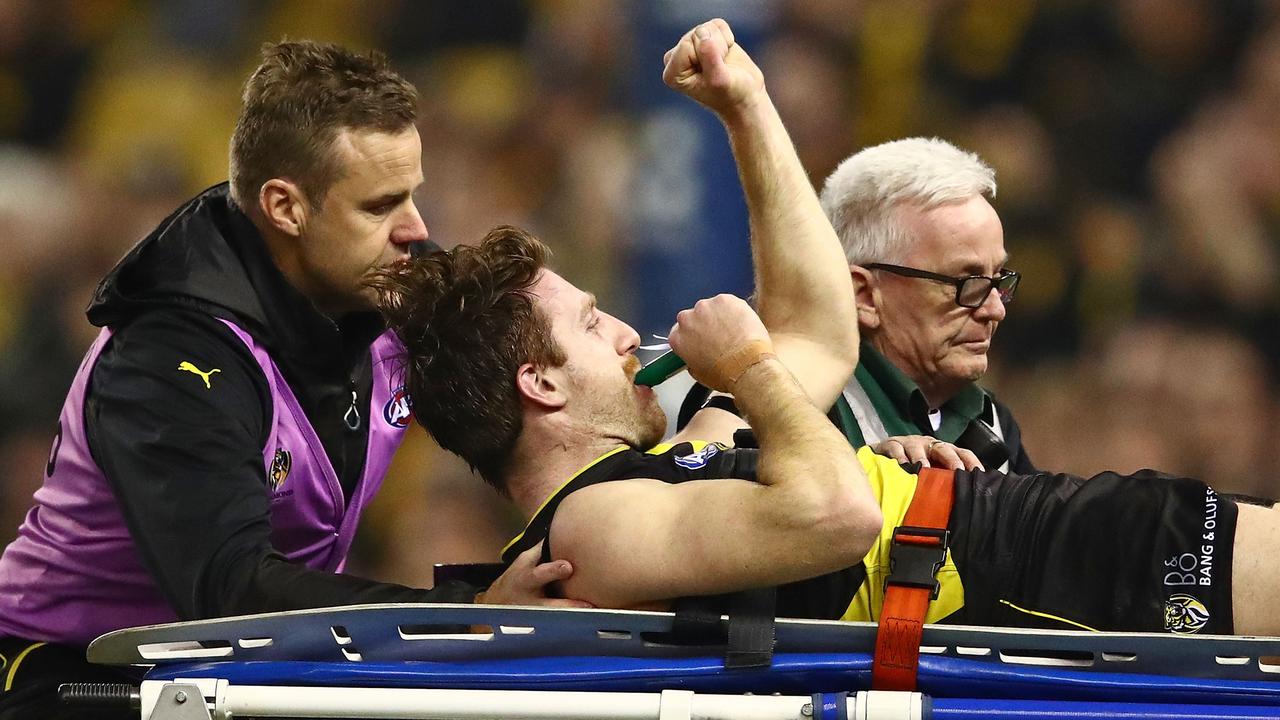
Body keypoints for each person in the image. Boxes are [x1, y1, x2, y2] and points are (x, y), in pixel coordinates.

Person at [376, 23, 1280, 639]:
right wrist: (748, 369)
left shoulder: (662, 471)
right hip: (1040, 581)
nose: (625, 335)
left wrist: (746, 106)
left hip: (1039, 535)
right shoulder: (592, 528)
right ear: (540, 383)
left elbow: (814, 331)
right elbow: (834, 514)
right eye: (589, 322)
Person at [0, 40, 577, 719]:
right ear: (285, 208)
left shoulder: (388, 283)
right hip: (78, 680)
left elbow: (547, 376)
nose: (417, 229)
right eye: (380, 205)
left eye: (413, 195)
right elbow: (230, 592)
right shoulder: (170, 362)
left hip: (251, 670)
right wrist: (471, 610)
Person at [817, 138, 1035, 473]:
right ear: (863, 295)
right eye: (967, 284)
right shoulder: (798, 407)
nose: (995, 310)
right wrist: (865, 475)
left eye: (998, 281)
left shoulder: (992, 424)